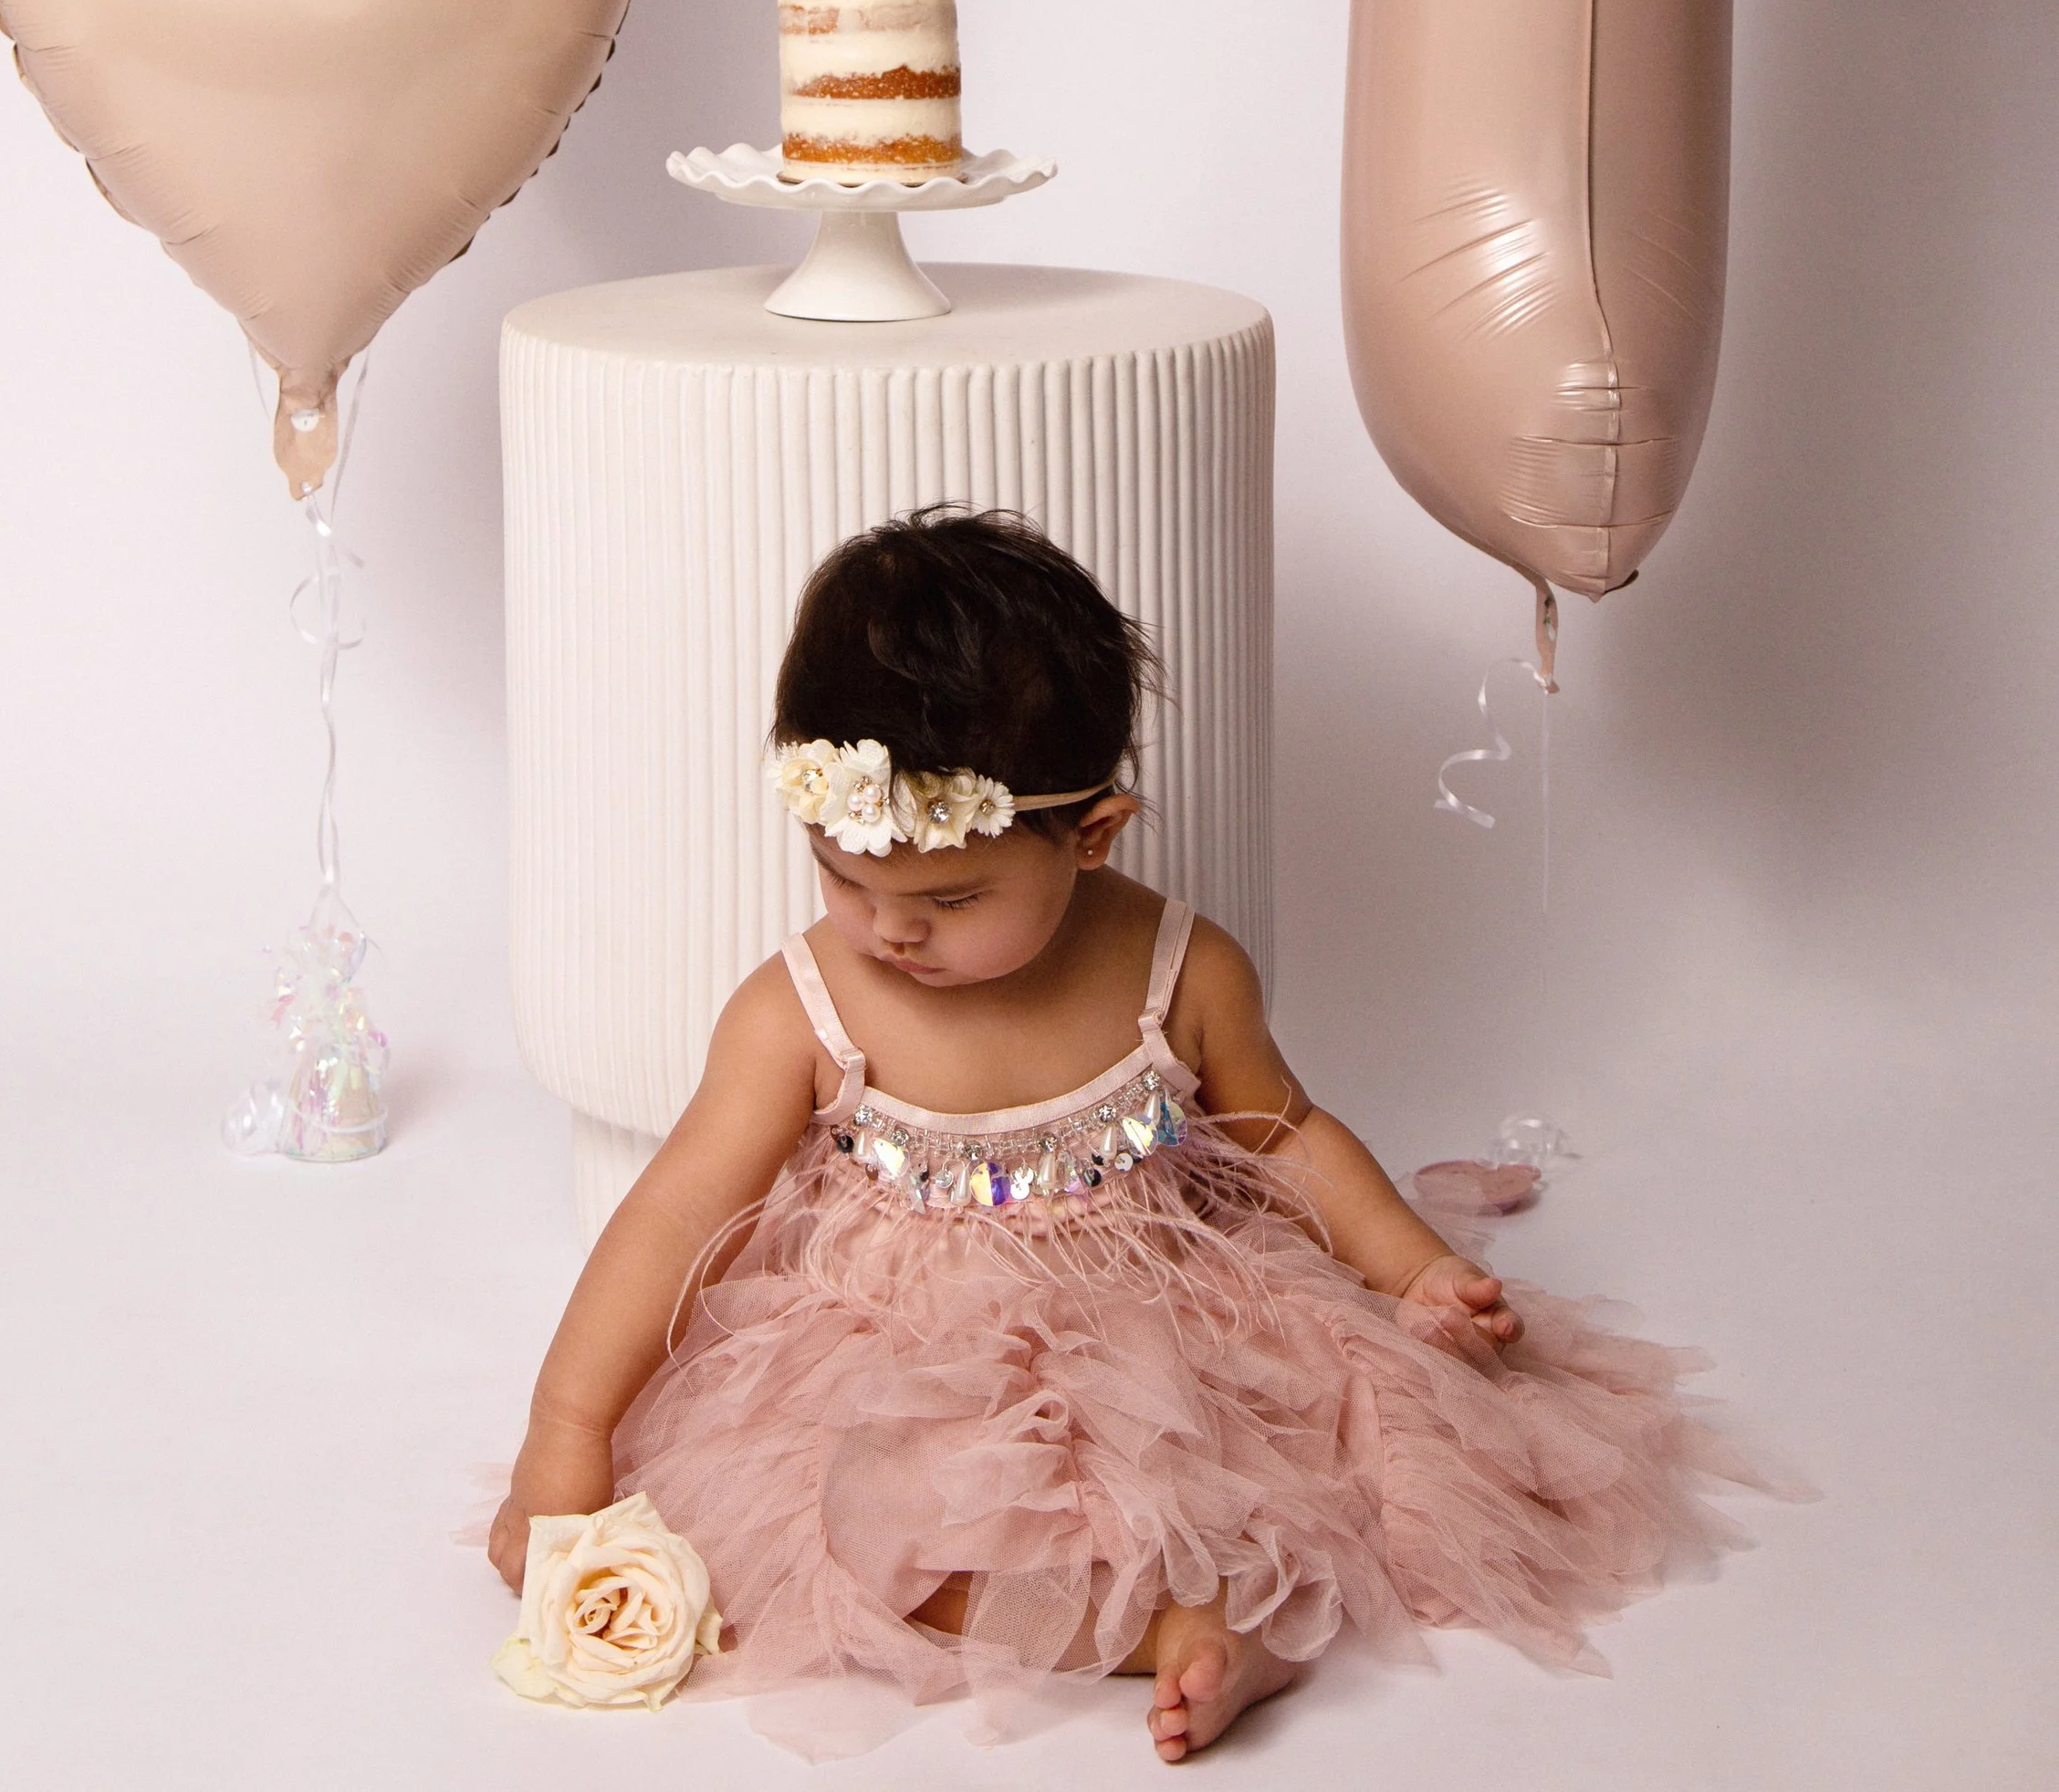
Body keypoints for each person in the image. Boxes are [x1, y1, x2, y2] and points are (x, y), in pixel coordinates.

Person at [490, 509, 1759, 1761]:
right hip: (906, 1358)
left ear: (1092, 835)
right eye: (843, 875)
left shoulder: (1180, 970)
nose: (890, 931)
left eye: (950, 897)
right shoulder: (801, 1010)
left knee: (1335, 1466)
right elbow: (675, 1213)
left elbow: (1287, 1134)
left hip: (1167, 1334)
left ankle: (1238, 1612)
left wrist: (1415, 1267)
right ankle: (1166, 1631)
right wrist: (568, 1432)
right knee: (860, 1534)